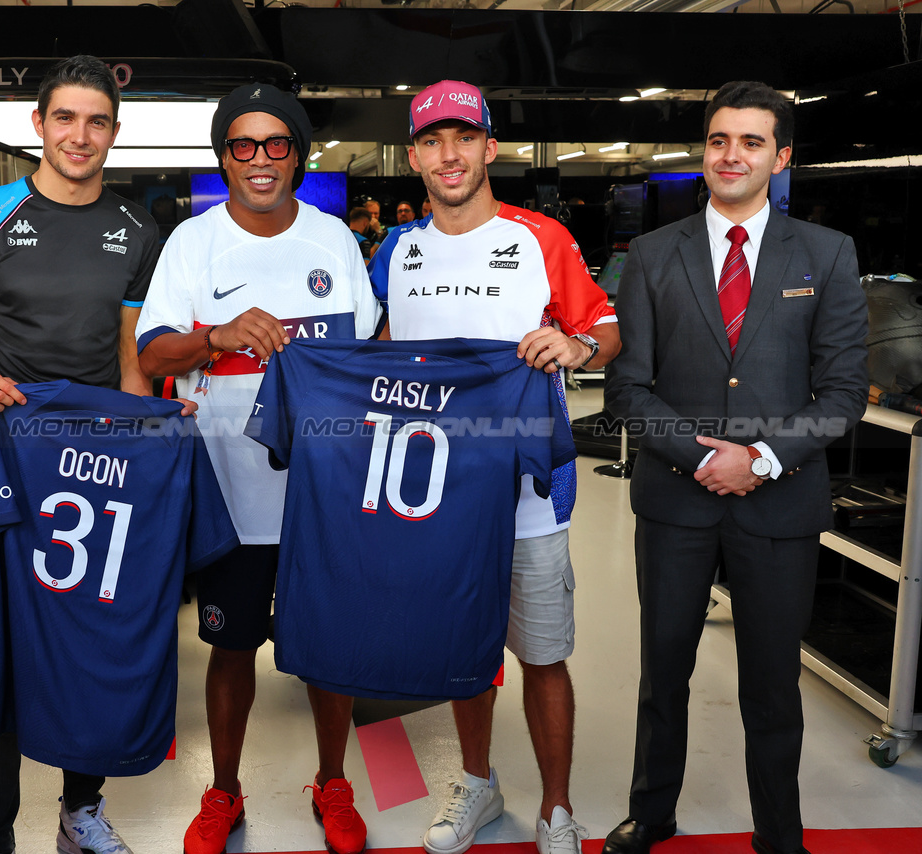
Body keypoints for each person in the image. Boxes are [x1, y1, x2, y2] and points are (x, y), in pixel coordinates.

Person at [601, 81, 868, 854]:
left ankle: (779, 833)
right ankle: (651, 812)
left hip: (780, 505)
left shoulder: (826, 254)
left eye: (752, 142)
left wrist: (762, 457)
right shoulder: (652, 255)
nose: (732, 155)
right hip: (676, 503)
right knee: (663, 673)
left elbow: (845, 390)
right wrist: (703, 457)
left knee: (772, 686)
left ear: (780, 157)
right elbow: (629, 387)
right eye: (720, 140)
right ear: (704, 151)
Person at [368, 79, 619, 854]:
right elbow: (374, 353)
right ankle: (477, 782)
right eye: (434, 142)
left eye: (464, 138)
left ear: (490, 147)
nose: (450, 155)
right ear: (414, 157)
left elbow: (606, 329)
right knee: (462, 649)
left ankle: (556, 809)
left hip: (528, 491)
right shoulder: (395, 249)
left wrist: (577, 348)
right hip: (432, 490)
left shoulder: (542, 237)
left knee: (542, 653)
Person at [135, 82, 382, 854]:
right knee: (229, 645)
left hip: (321, 488)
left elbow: (368, 352)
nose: (261, 160)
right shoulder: (192, 243)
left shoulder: (334, 240)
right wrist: (216, 335)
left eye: (278, 145)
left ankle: (332, 782)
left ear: (300, 156)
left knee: (330, 646)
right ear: (224, 158)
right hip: (230, 489)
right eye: (244, 146)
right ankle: (224, 791)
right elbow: (151, 352)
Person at [0, 55, 162, 854]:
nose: (80, 135)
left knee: (91, 630)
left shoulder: (134, 228)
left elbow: (130, 350)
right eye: (65, 118)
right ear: (38, 125)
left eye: (97, 121)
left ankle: (80, 809)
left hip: (99, 460)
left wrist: (145, 433)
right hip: (14, 462)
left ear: (115, 135)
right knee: (13, 646)